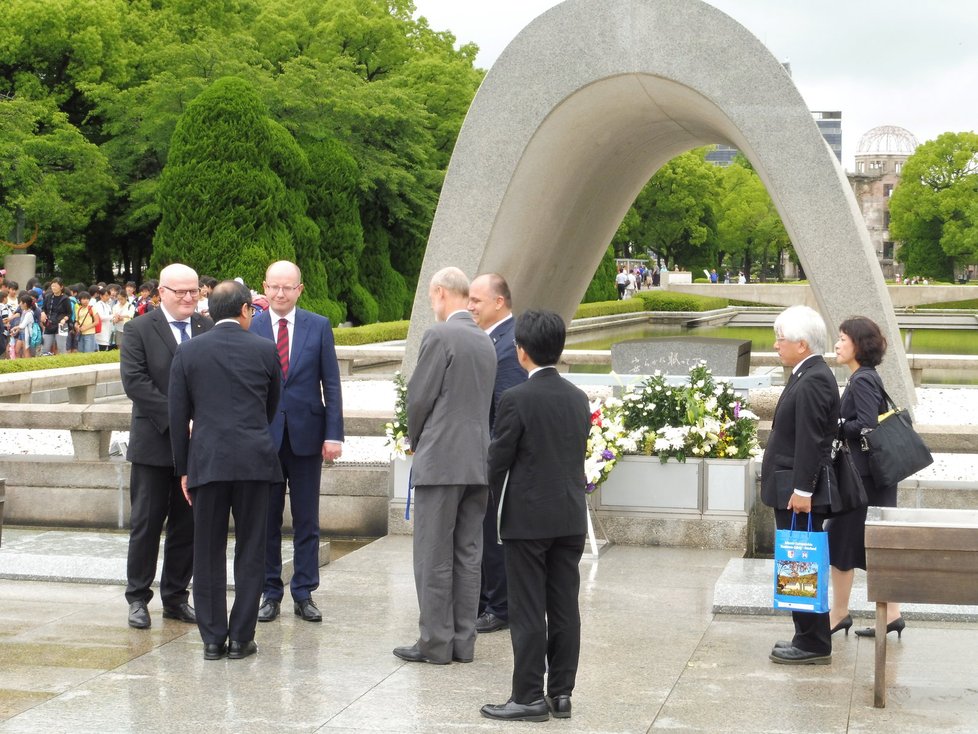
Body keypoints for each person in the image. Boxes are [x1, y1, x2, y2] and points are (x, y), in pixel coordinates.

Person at [480, 310, 591, 723]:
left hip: (527, 520)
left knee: (528, 608)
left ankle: (527, 695)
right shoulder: (578, 397)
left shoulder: (516, 399)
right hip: (569, 516)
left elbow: (497, 461)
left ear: (521, 351)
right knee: (564, 605)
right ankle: (561, 693)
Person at [169, 280, 282, 660]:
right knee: (251, 550)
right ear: (246, 309)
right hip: (255, 462)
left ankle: (212, 639)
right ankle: (241, 638)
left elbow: (177, 415)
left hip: (208, 462)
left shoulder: (188, 352)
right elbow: (271, 407)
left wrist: (184, 469)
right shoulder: (266, 350)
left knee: (207, 551)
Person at [393, 266, 496, 665]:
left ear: (439, 292)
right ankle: (463, 643)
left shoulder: (440, 335)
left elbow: (418, 399)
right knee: (468, 554)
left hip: (441, 460)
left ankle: (435, 643)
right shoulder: (484, 339)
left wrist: (416, 441)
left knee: (432, 554)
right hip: (477, 461)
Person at [251, 261, 344, 624]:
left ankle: (304, 592)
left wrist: (334, 433)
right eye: (274, 287)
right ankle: (269, 591)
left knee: (307, 519)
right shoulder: (253, 326)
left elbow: (331, 384)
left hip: (307, 436)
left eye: (288, 287)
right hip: (264, 439)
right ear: (264, 287)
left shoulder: (318, 326)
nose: (280, 293)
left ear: (299, 290)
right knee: (266, 519)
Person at [120, 263, 212, 629]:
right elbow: (136, 382)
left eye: (194, 291)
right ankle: (138, 597)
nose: (189, 297)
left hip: (198, 448)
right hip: (155, 445)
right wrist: (179, 420)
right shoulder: (139, 329)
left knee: (187, 526)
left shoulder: (206, 328)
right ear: (162, 293)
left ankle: (176, 597)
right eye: (181, 292)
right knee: (146, 523)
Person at [762, 305, 839, 665]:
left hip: (799, 491)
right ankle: (805, 634)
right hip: (791, 486)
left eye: (782, 339)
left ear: (803, 344)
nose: (776, 345)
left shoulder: (814, 379)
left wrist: (803, 491)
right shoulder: (806, 373)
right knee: (797, 560)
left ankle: (813, 641)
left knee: (801, 561)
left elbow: (810, 440)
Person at [827, 317, 904, 639]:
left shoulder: (862, 380)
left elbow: (867, 424)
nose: (837, 344)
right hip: (871, 478)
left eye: (843, 338)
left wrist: (835, 425)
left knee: (843, 543)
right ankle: (892, 615)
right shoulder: (866, 377)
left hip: (863, 481)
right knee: (871, 544)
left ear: (858, 344)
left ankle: (839, 614)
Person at [467, 273, 528, 635]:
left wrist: (492, 463)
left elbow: (505, 413)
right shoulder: (489, 338)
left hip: (495, 462)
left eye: (476, 300)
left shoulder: (508, 345)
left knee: (493, 534)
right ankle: (481, 599)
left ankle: (500, 606)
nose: (470, 306)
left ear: (499, 302)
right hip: (479, 455)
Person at [41, 278, 71, 355]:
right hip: (49, 324)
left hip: (61, 325)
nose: (53, 288)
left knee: (61, 348)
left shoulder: (66, 299)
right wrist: (43, 313)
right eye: (52, 286)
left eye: (55, 286)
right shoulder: (48, 297)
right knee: (45, 348)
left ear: (61, 287)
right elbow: (43, 308)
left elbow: (69, 313)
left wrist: (64, 319)